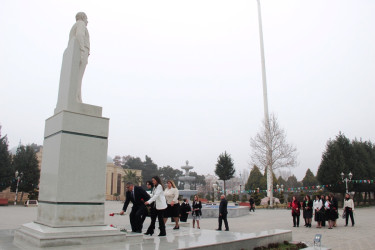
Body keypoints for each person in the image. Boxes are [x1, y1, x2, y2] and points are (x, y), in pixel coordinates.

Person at [69, 12, 90, 102]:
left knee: (76, 76)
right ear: (83, 17)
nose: (87, 21)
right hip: (80, 50)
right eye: (87, 18)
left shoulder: (75, 25)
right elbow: (80, 35)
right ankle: (77, 98)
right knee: (78, 77)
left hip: (74, 52)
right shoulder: (81, 24)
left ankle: (77, 97)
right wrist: (82, 50)